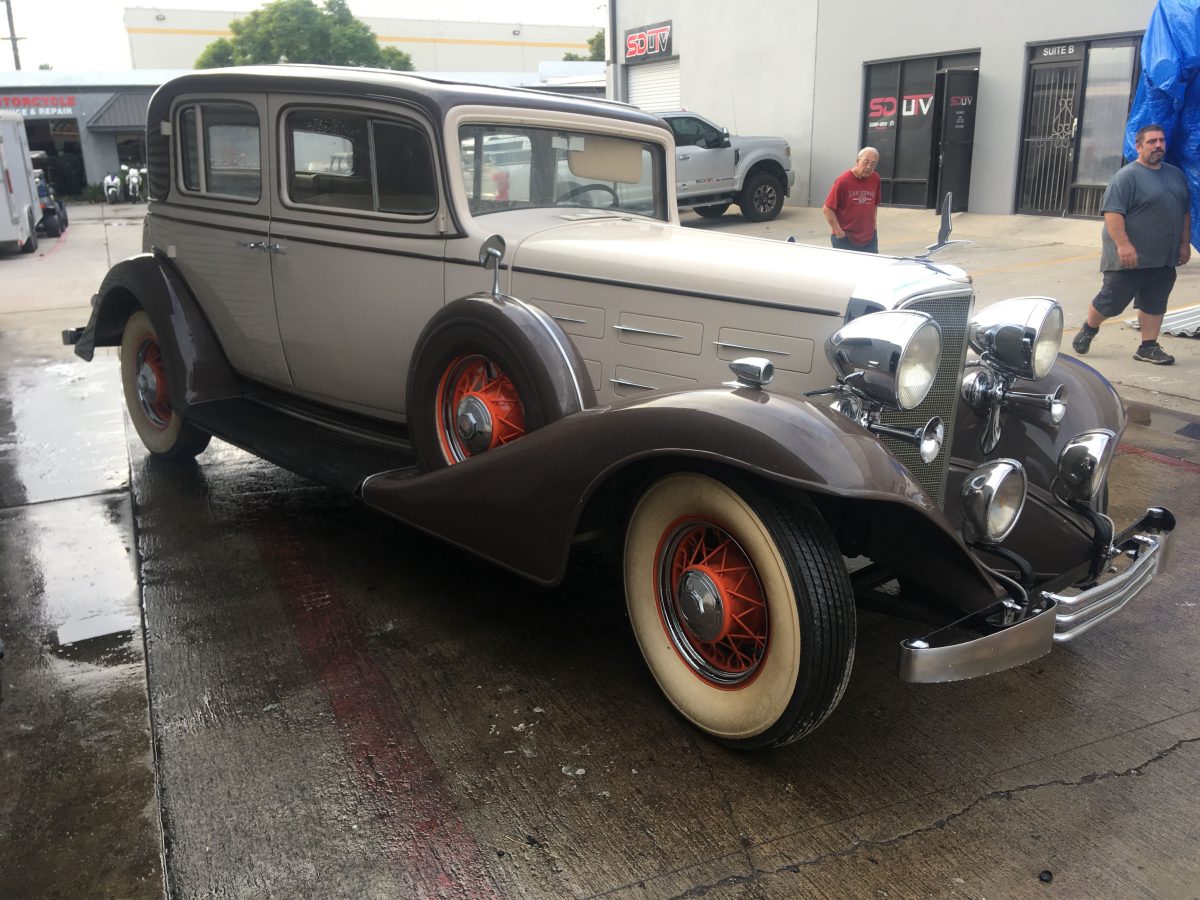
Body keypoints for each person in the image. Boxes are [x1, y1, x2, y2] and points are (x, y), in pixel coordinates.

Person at [1072, 123, 1192, 365]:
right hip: (1129, 256)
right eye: (1152, 141)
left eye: (1161, 140)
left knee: (1155, 301)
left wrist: (1184, 243)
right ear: (1138, 147)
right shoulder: (1126, 177)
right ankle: (1089, 328)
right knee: (1112, 301)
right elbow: (1112, 213)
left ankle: (1148, 347)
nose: (1158, 145)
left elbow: (1184, 212)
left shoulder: (1175, 175)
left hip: (1163, 256)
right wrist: (1124, 245)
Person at [823, 147, 881, 253]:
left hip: (869, 238)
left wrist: (874, 227)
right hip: (846, 238)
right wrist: (839, 232)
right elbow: (827, 209)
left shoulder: (875, 179)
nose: (869, 167)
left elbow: (874, 204)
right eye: (866, 162)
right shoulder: (843, 181)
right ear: (857, 161)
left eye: (873, 164)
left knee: (872, 263)